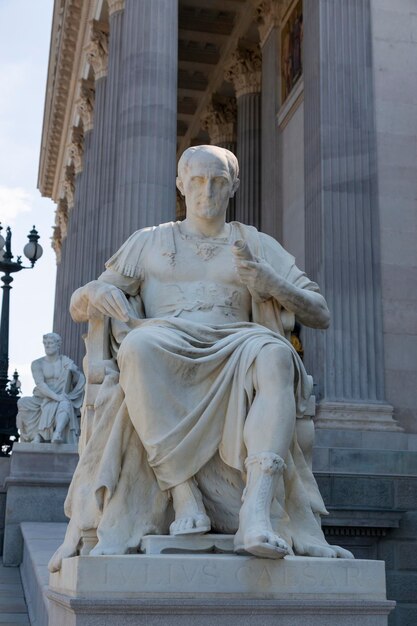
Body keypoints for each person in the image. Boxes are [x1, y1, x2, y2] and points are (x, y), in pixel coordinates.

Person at [49, 146, 352, 572]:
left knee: (276, 356)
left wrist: (270, 282)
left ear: (234, 188)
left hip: (237, 340)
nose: (206, 191)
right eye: (196, 181)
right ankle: (182, 489)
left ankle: (257, 510)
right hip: (163, 340)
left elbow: (318, 311)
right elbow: (81, 303)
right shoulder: (149, 241)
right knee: (137, 348)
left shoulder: (254, 243)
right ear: (180, 185)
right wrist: (97, 292)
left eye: (218, 181)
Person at [17, 333, 85, 444]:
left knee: (65, 404)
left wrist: (74, 371)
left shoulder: (66, 362)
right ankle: (35, 436)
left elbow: (79, 381)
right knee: (22, 402)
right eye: (45, 343)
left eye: (50, 343)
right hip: (42, 397)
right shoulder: (37, 363)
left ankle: (57, 433)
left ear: (58, 345)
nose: (47, 346)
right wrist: (57, 397)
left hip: (61, 397)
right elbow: (41, 385)